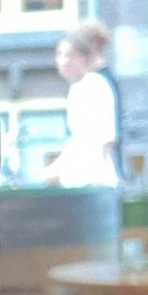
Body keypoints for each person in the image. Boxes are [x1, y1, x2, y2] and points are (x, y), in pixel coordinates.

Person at [45, 19, 119, 188]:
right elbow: (77, 140)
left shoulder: (95, 85)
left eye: (69, 55)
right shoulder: (77, 89)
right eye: (59, 54)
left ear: (83, 57)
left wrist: (64, 169)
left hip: (94, 183)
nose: (63, 61)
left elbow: (104, 139)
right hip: (78, 181)